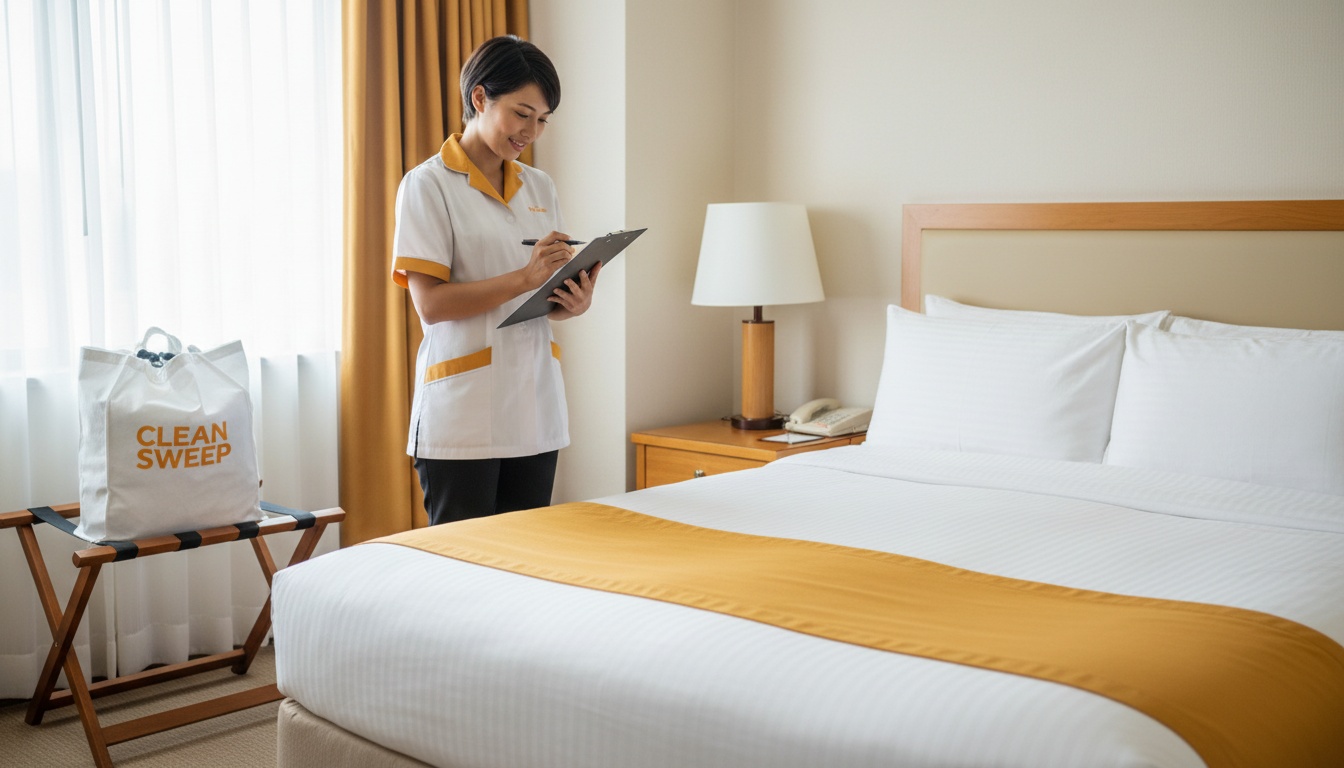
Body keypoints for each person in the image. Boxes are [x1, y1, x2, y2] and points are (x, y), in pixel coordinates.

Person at [390, 35, 599, 525]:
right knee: (463, 573)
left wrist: (570, 300)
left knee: (524, 567)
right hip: (463, 417)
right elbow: (432, 306)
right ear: (480, 98)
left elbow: (538, 290)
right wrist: (526, 276)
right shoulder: (426, 186)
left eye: (543, 119)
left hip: (534, 408)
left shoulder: (539, 186)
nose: (532, 130)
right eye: (522, 113)